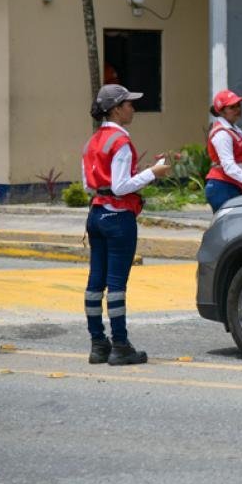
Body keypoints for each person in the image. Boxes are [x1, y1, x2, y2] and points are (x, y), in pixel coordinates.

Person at [81, 84, 171, 365]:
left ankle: (98, 344)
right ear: (116, 109)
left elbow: (88, 184)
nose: (133, 108)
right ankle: (120, 345)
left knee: (95, 283)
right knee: (117, 285)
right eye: (129, 104)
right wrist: (152, 173)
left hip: (96, 215)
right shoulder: (120, 143)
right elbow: (120, 187)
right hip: (118, 218)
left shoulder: (93, 141)